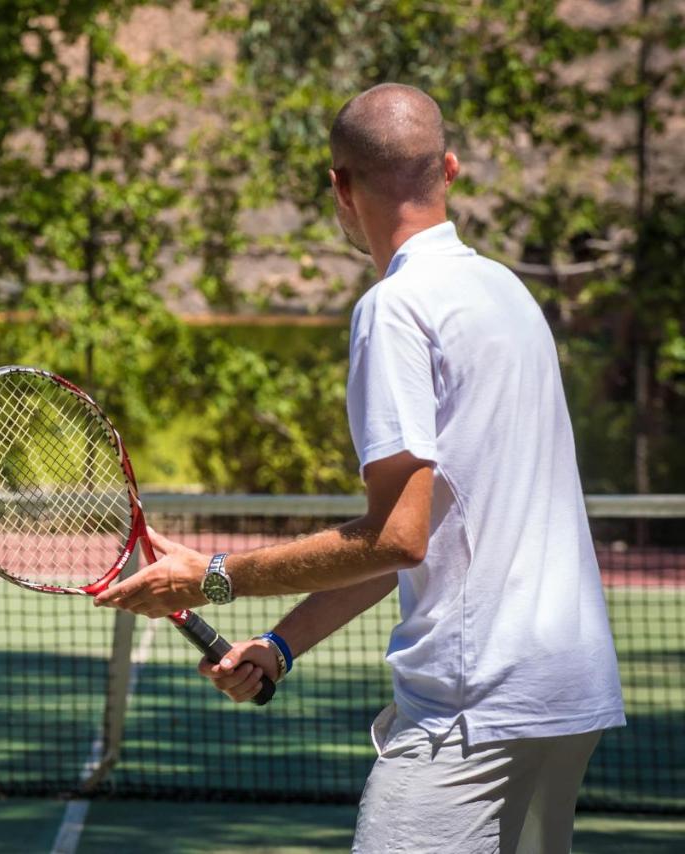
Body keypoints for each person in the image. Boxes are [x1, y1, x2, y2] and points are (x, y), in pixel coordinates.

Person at [94, 83, 625, 853]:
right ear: (450, 169)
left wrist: (211, 576)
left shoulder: (395, 307)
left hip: (472, 708)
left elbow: (397, 537)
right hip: (566, 697)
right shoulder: (506, 294)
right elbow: (432, 531)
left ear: (340, 188)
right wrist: (278, 647)